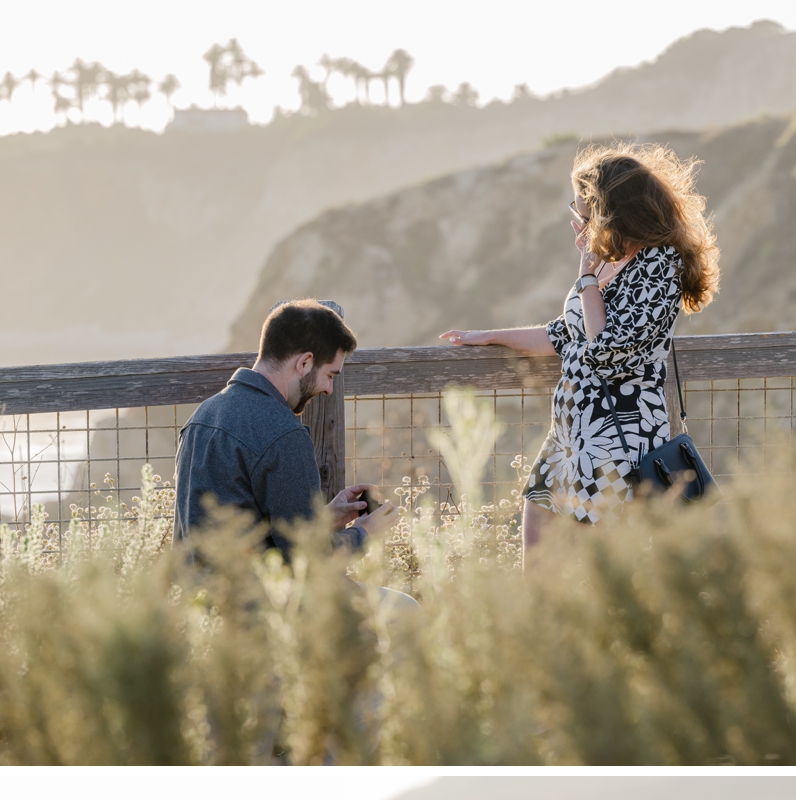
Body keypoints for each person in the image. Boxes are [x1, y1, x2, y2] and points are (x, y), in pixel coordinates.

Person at [440, 144, 719, 552]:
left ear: (614, 212)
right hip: (569, 438)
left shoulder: (659, 265)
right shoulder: (607, 259)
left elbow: (604, 350)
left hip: (617, 440)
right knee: (536, 555)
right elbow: (564, 335)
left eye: (585, 214)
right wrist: (488, 337)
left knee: (598, 573)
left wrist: (587, 278)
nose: (580, 223)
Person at [174, 299, 399, 555]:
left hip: (197, 593)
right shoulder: (284, 434)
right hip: (262, 594)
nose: (329, 389)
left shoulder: (202, 415)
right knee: (403, 599)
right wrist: (365, 533)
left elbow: (245, 523)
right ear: (304, 363)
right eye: (330, 375)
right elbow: (312, 559)